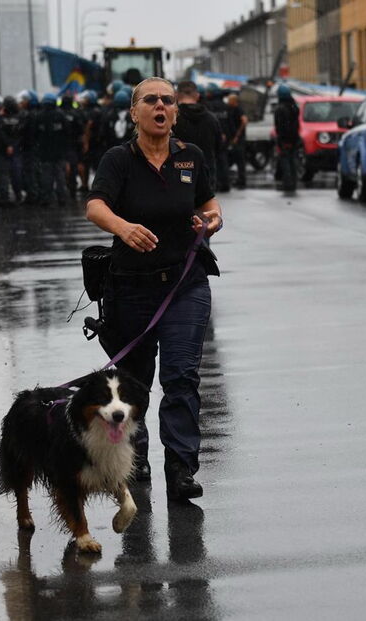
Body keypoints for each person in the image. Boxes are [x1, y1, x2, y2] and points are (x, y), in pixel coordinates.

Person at [85, 77, 224, 502]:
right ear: (134, 112)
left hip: (184, 286)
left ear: (176, 113)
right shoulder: (118, 159)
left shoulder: (190, 158)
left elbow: (209, 205)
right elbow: (95, 206)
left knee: (181, 377)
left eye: (168, 101)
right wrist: (124, 228)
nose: (160, 106)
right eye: (151, 100)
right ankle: (136, 458)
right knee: (134, 383)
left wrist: (212, 220)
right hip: (131, 290)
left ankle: (182, 468)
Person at [172, 81, 222, 196]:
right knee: (206, 210)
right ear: (197, 95)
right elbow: (219, 147)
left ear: (176, 95)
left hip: (179, 172)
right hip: (207, 171)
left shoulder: (172, 119)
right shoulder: (212, 119)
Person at [34, 92, 71, 206]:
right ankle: (62, 199)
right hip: (59, 152)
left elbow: (34, 135)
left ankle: (46, 199)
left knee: (46, 176)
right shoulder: (61, 115)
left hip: (44, 153)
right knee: (60, 176)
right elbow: (67, 133)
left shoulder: (38, 116)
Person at [204, 84, 231, 193]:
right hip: (224, 137)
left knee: (213, 161)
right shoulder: (225, 106)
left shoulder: (209, 106)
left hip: (213, 136)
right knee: (223, 160)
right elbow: (230, 122)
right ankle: (225, 183)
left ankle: (216, 184)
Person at [274, 84, 300, 195]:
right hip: (294, 137)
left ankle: (288, 183)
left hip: (285, 139)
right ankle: (293, 182)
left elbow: (280, 126)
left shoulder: (280, 109)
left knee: (286, 161)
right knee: (293, 160)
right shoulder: (294, 107)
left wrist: (283, 140)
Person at [1, 95, 25, 204]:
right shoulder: (19, 116)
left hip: (5, 149)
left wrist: (7, 145)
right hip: (17, 148)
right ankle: (18, 194)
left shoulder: (1, 117)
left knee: (5, 174)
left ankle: (5, 197)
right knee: (16, 173)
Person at [225, 93, 248, 189]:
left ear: (234, 101)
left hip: (238, 139)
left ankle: (242, 180)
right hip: (233, 138)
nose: (228, 102)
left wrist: (237, 135)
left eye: (230, 100)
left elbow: (244, 121)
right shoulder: (230, 109)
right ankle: (238, 179)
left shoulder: (238, 109)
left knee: (240, 160)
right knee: (233, 158)